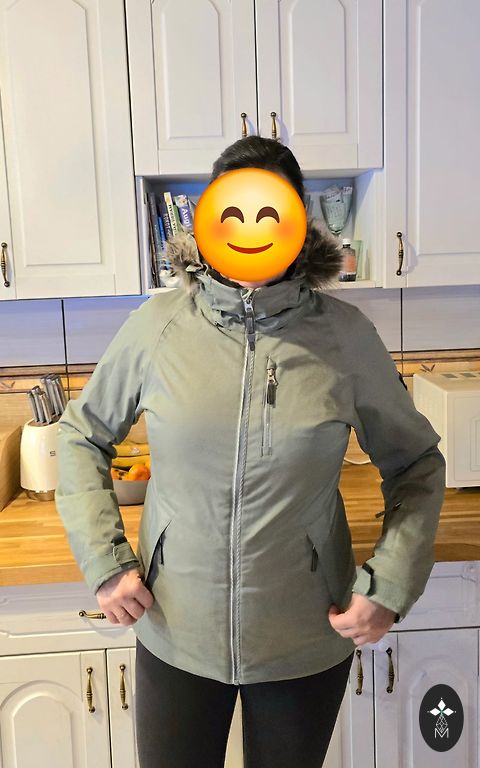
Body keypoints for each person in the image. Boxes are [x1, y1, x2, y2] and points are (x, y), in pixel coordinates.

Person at [55, 136, 446, 768]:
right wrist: (105, 561)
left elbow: (417, 463)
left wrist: (392, 583)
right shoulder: (157, 327)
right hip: (175, 628)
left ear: (299, 223)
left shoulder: (345, 337)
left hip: (305, 637)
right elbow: (81, 435)